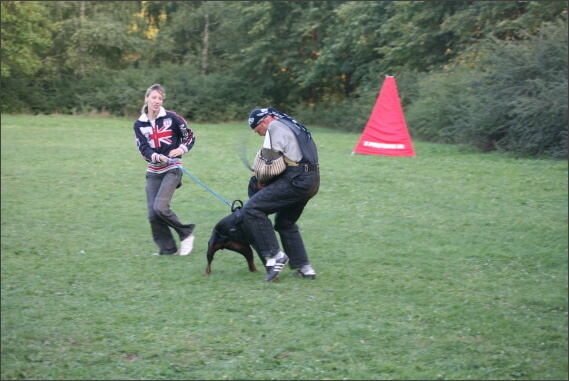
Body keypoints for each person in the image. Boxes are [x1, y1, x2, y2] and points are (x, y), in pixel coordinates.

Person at [243, 107, 320, 281]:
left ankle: (276, 256)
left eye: (258, 131)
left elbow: (270, 161)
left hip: (297, 179)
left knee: (252, 208)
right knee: (285, 222)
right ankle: (305, 268)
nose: (260, 135)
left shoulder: (274, 127)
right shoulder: (291, 123)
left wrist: (261, 179)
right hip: (312, 179)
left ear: (264, 122)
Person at [133, 84, 196, 256]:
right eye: (154, 97)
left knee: (160, 207)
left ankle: (186, 234)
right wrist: (156, 157)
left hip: (172, 168)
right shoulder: (139, 124)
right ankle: (167, 249)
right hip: (153, 171)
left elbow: (190, 136)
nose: (157, 101)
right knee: (153, 214)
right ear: (147, 98)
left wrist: (180, 149)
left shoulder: (172, 118)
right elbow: (143, 148)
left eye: (160, 98)